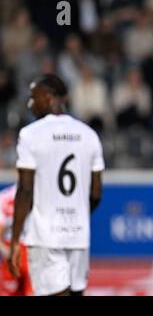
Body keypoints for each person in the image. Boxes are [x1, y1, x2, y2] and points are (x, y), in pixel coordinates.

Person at [8, 74, 105, 296]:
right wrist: (79, 214)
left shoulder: (31, 134)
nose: (31, 104)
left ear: (50, 97)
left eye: (35, 98)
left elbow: (25, 190)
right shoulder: (89, 135)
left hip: (45, 234)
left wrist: (15, 240)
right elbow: (97, 192)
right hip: (78, 233)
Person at [0, 184, 33, 296]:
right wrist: (7, 251)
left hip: (32, 252)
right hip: (13, 252)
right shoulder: (5, 198)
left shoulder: (41, 197)